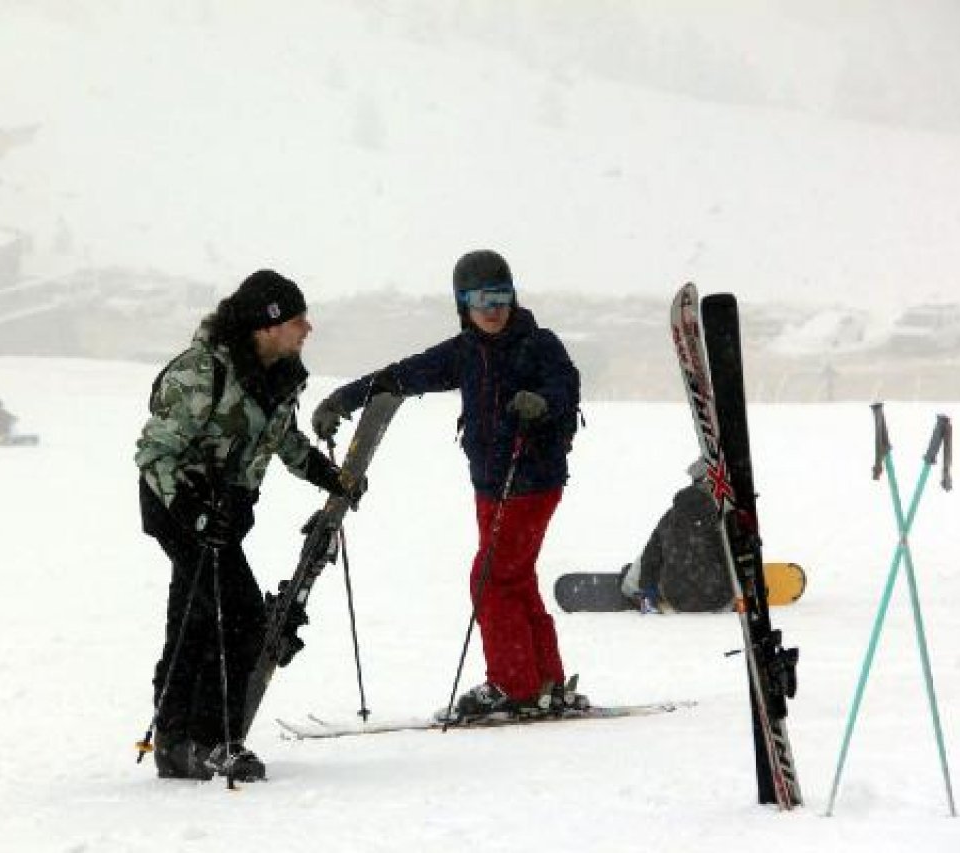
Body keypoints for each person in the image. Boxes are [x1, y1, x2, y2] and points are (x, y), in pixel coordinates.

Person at [311, 249, 585, 716]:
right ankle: (544, 682)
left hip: (531, 481)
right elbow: (401, 374)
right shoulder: (464, 352)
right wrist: (344, 398)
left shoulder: (540, 344)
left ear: (513, 297)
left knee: (490, 579)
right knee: (514, 580)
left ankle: (513, 686)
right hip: (489, 486)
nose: (493, 309)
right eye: (481, 299)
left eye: (500, 297)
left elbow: (566, 387)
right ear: (463, 304)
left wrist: (541, 402)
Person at [135, 270, 364, 782]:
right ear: (267, 325)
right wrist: (193, 510)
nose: (308, 328)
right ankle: (210, 740)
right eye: (297, 319)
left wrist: (329, 476)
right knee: (237, 619)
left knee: (194, 623)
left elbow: (283, 441)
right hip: (181, 511)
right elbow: (154, 455)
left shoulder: (274, 375)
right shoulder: (200, 373)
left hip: (225, 516)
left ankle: (177, 745)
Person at [619, 461, 734, 613]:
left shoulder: (672, 515)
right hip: (719, 599)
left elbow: (650, 557)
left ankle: (641, 594)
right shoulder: (726, 515)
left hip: (677, 599)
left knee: (652, 553)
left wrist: (648, 591)